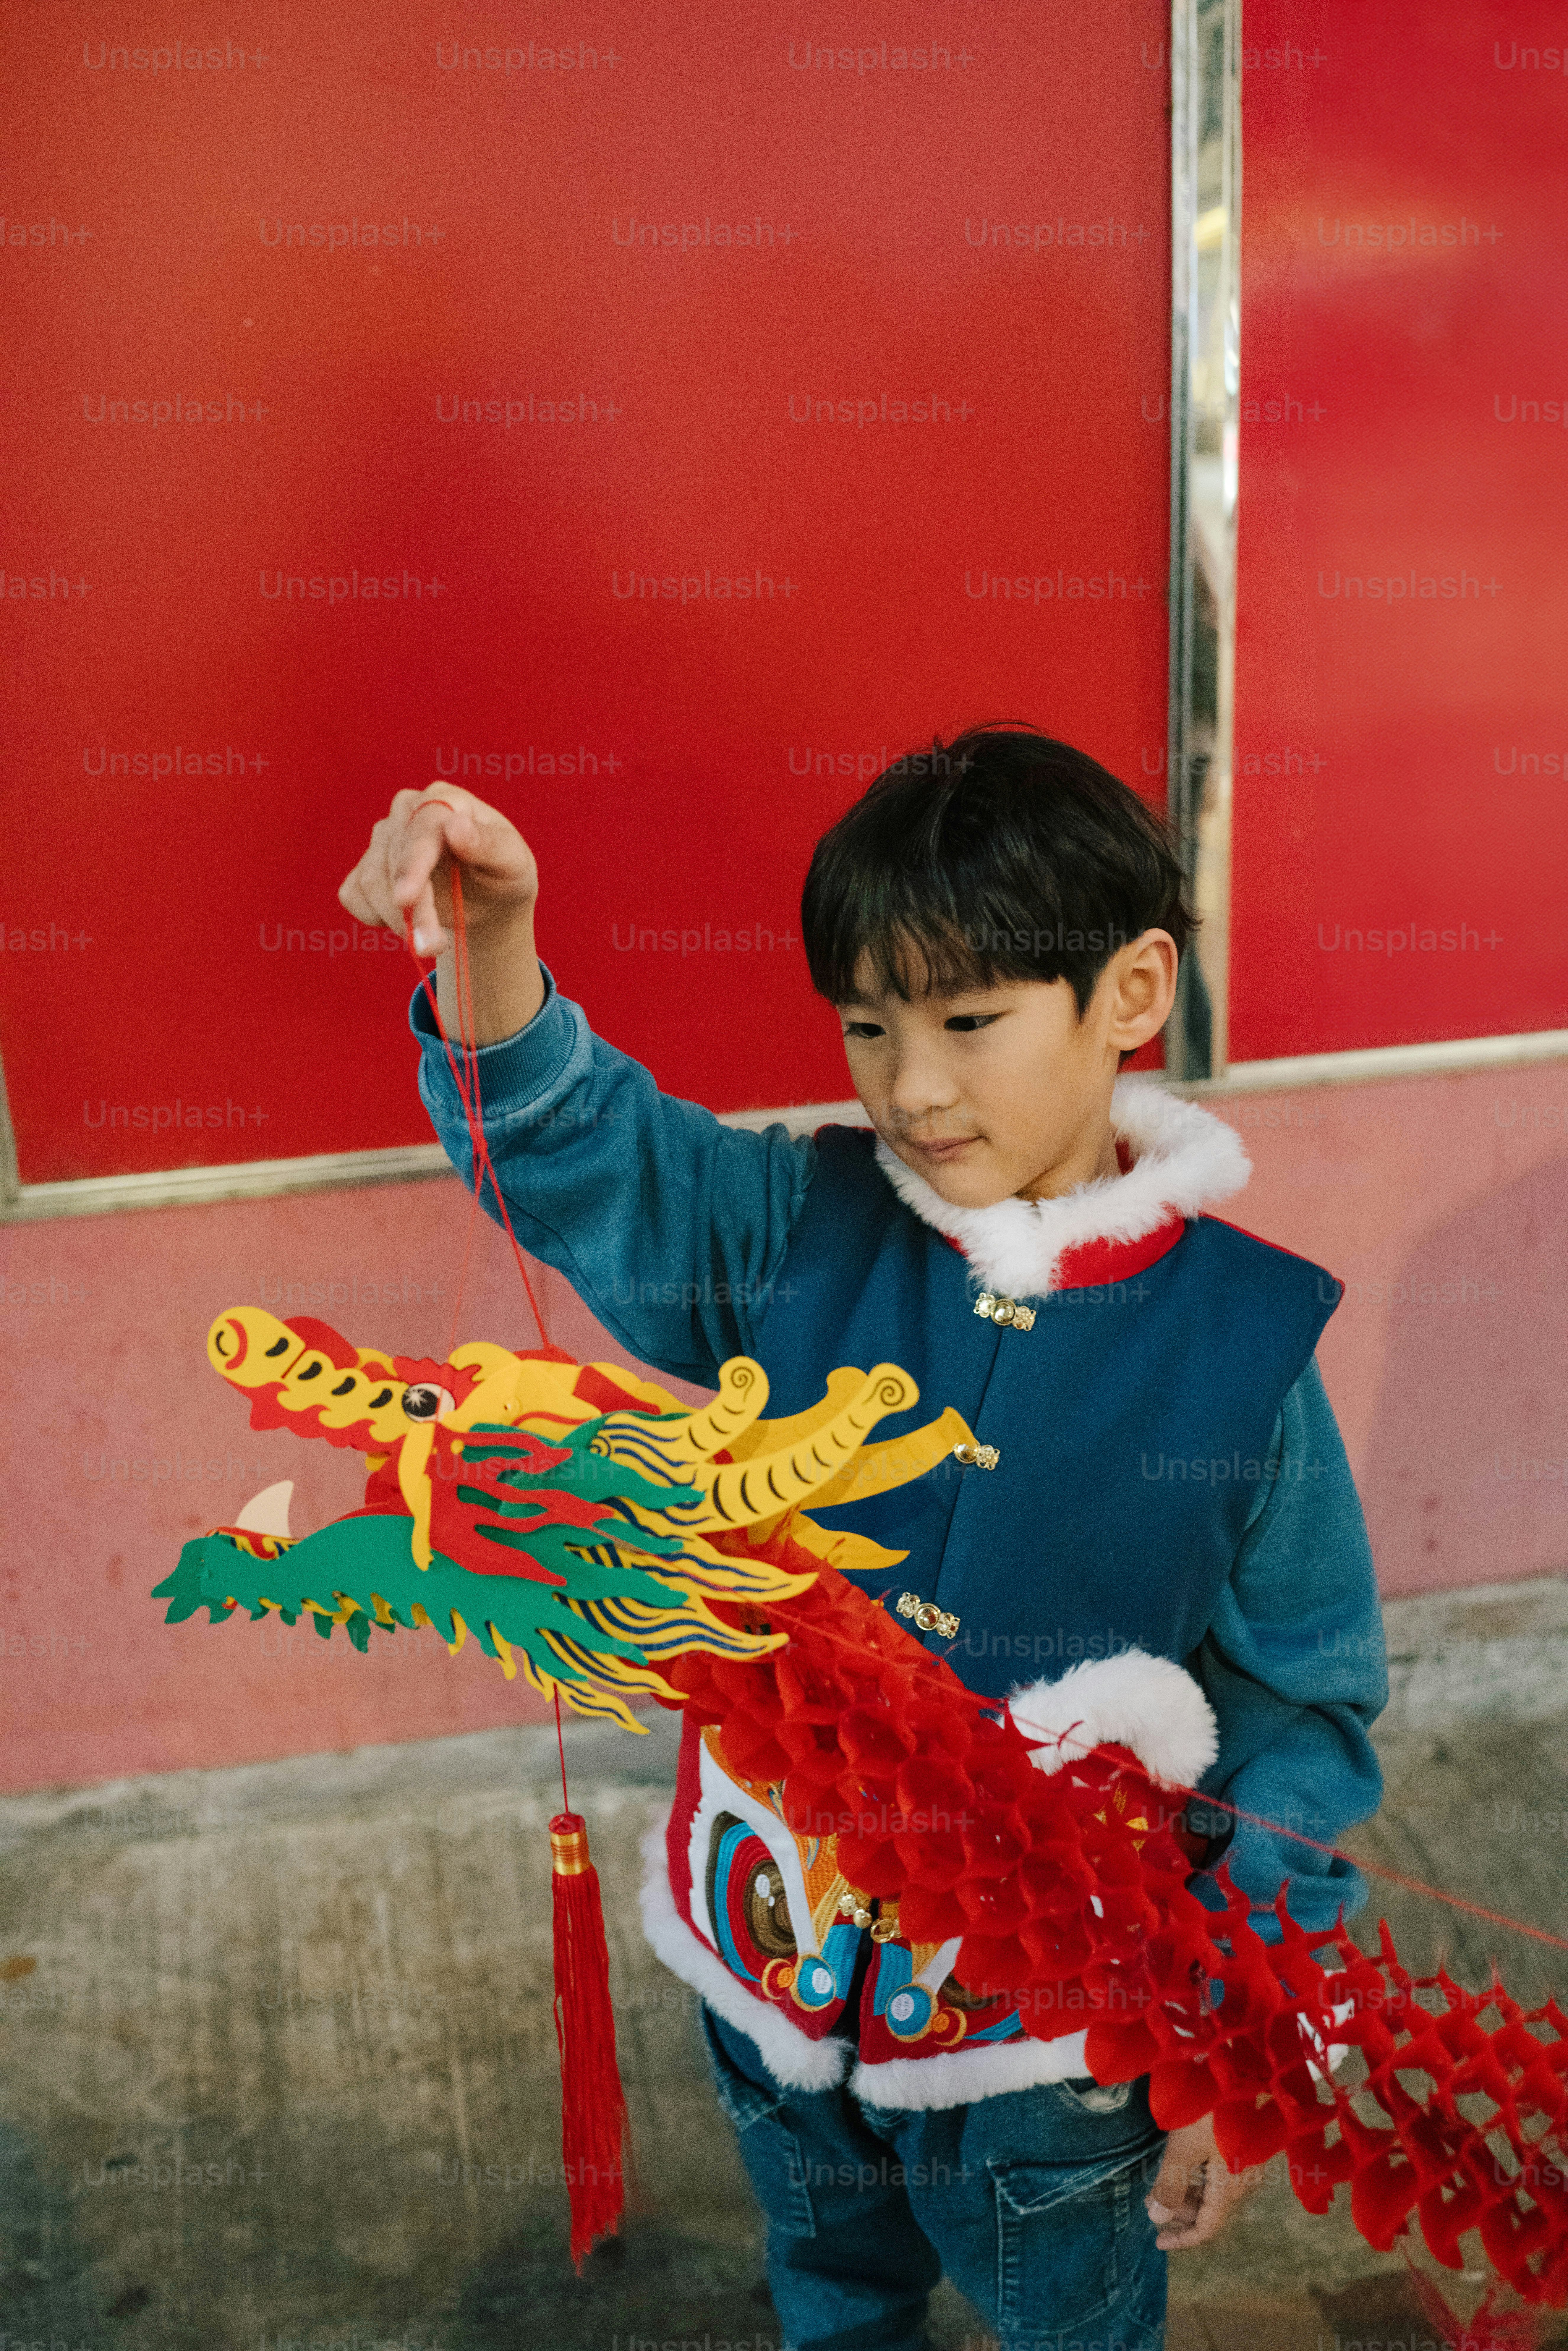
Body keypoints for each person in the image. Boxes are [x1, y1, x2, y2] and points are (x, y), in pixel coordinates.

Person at [340, 726, 1387, 2351]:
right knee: (830, 2294)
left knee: (1074, 2319)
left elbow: (1299, 1717)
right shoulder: (786, 1230)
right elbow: (579, 1147)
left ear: (1130, 993)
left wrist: (1255, 2045)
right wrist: (490, 950)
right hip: (771, 1972)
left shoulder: (1239, 1345)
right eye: (866, 1026)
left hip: (1061, 2042)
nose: (908, 1085)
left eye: (969, 1022)